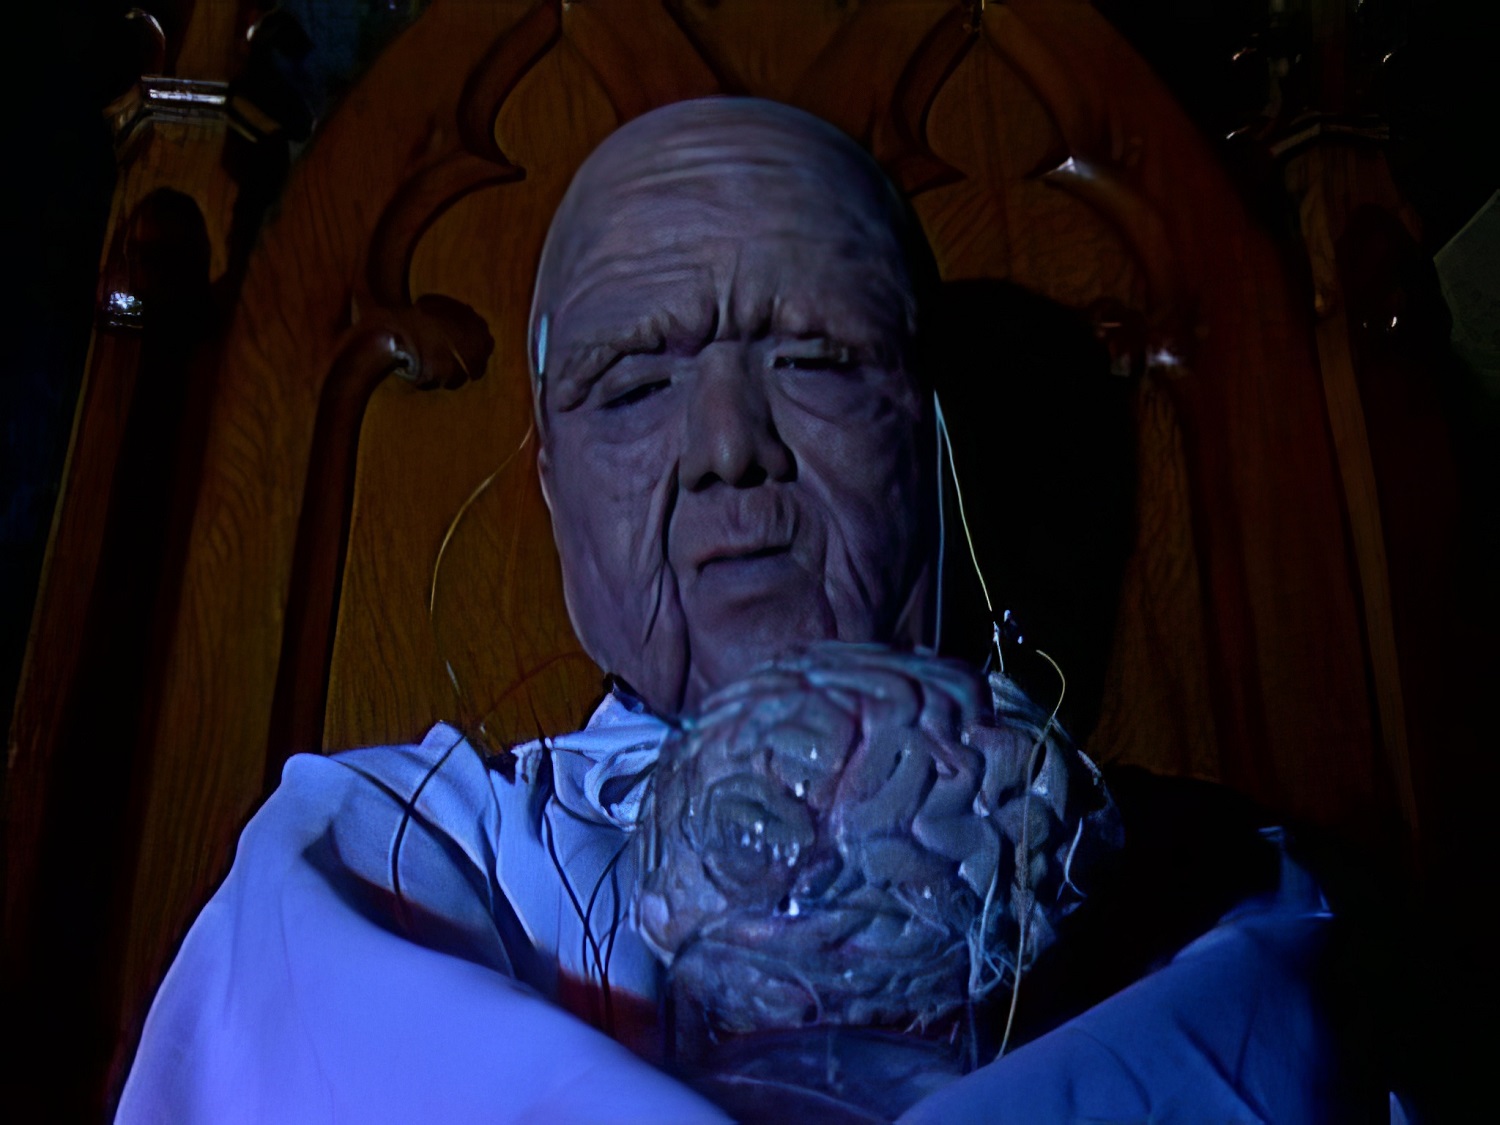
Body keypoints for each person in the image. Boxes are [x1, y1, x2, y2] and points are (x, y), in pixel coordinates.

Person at [116, 98, 1360, 1123]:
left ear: (933, 439)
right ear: (552, 482)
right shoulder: (381, 859)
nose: (728, 448)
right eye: (632, 386)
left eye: (816, 361)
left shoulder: (1205, 890)